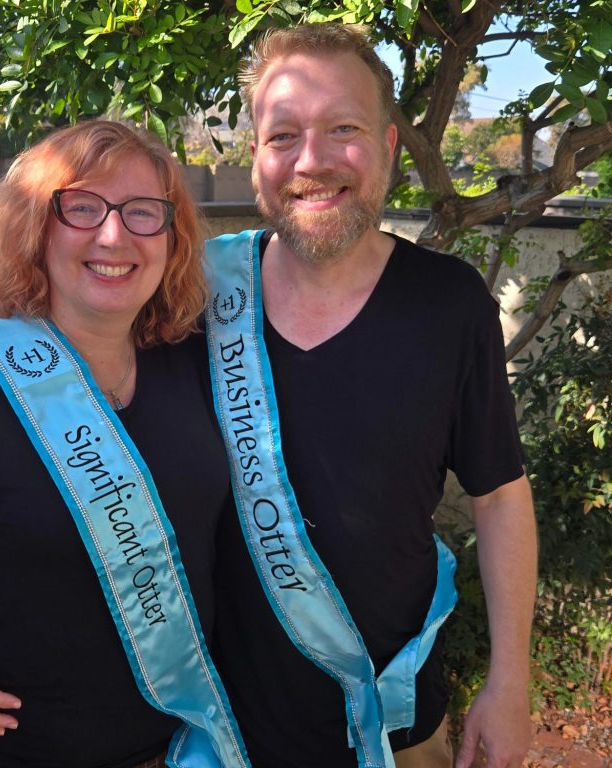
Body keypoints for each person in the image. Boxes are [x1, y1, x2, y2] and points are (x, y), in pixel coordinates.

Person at [0, 120, 250, 768]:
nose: (113, 235)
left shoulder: (188, 359)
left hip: (188, 747)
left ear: (171, 238)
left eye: (143, 211)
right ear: (36, 229)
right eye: (82, 207)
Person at [203, 23, 537, 768]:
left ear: (388, 145)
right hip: (222, 727)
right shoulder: (198, 297)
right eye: (283, 135)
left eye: (343, 129)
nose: (311, 160)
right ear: (256, 157)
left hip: (397, 717)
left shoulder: (449, 303)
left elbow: (499, 497)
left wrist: (510, 680)